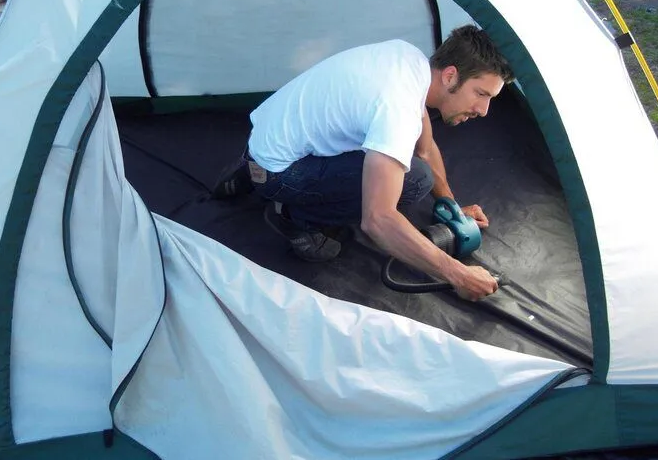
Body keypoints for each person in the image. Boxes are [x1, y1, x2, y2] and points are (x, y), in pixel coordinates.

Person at [218, 25, 513, 301]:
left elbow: (424, 148)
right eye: (481, 94)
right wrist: (458, 275)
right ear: (450, 75)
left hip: (266, 137)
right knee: (414, 181)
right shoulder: (397, 109)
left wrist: (451, 207)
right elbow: (378, 220)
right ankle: (295, 217)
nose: (484, 111)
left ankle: (251, 170)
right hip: (279, 172)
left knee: (406, 164)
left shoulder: (409, 60)